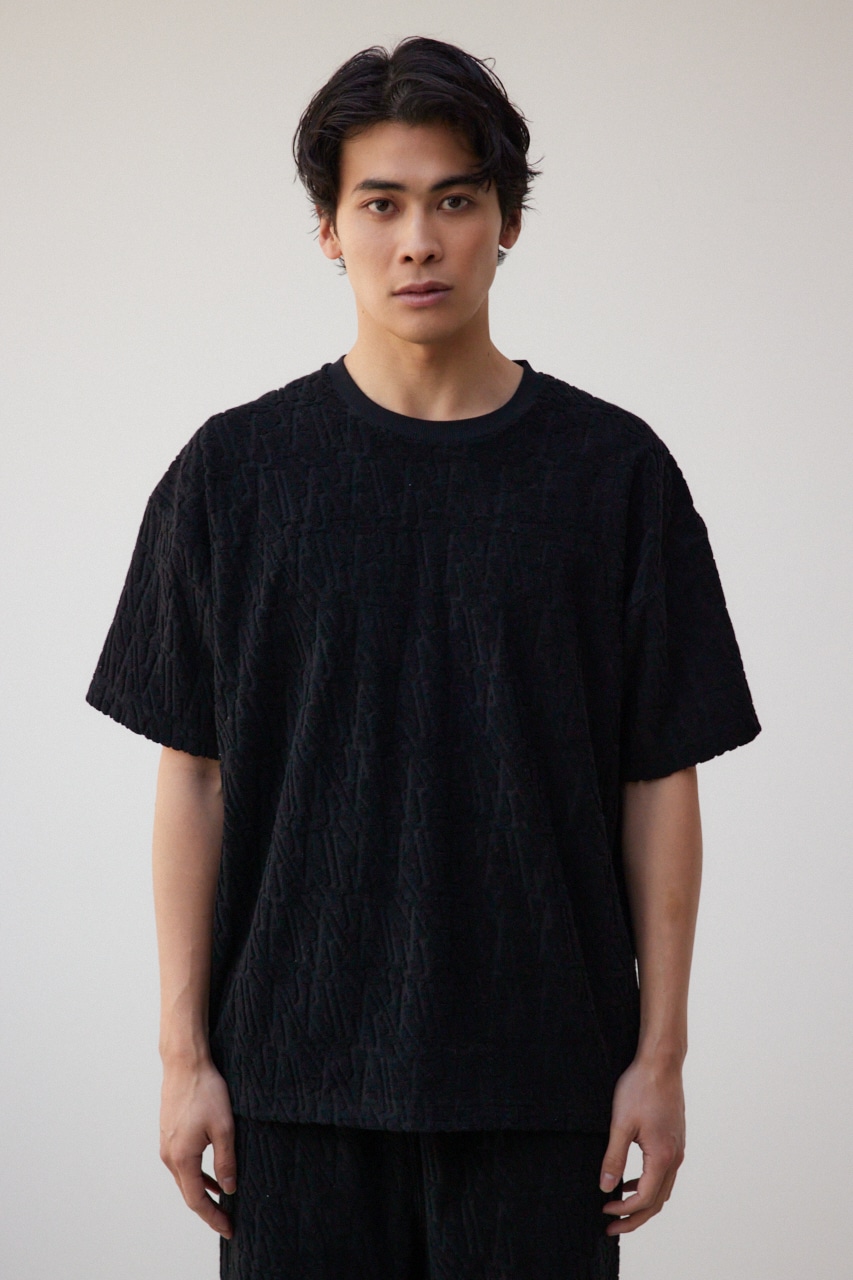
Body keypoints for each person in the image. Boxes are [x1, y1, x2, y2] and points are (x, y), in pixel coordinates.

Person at [85, 35, 761, 1280]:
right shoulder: (233, 476)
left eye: (454, 200)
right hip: (290, 1086)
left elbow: (659, 774)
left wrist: (659, 1058)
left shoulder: (614, 475)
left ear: (507, 223)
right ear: (328, 229)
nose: (418, 242)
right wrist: (183, 1057)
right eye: (381, 203)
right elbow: (195, 774)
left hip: (545, 1082)